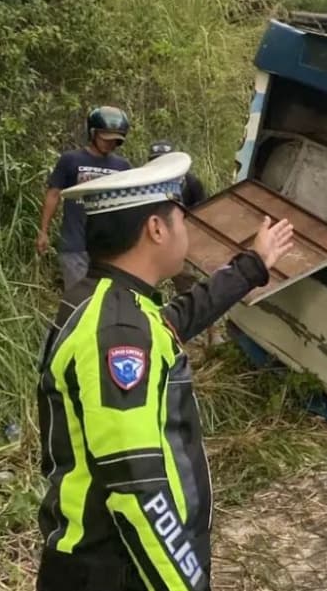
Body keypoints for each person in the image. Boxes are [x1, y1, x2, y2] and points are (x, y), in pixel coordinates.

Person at [34, 152, 294, 591]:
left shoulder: (113, 301)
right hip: (120, 570)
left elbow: (177, 320)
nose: (185, 229)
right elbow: (137, 488)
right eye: (180, 218)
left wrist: (253, 265)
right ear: (156, 229)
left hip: (118, 563)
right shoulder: (117, 332)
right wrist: (185, 582)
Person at [37, 106, 134, 292]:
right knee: (79, 300)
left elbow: (129, 204)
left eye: (115, 140)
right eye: (105, 138)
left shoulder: (123, 166)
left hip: (109, 248)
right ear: (93, 133)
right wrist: (43, 231)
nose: (110, 143)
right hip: (75, 244)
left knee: (107, 301)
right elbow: (53, 194)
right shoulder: (70, 160)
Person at [148, 141, 207, 208]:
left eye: (166, 161)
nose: (162, 165)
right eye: (157, 161)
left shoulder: (190, 182)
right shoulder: (146, 185)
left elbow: (203, 209)